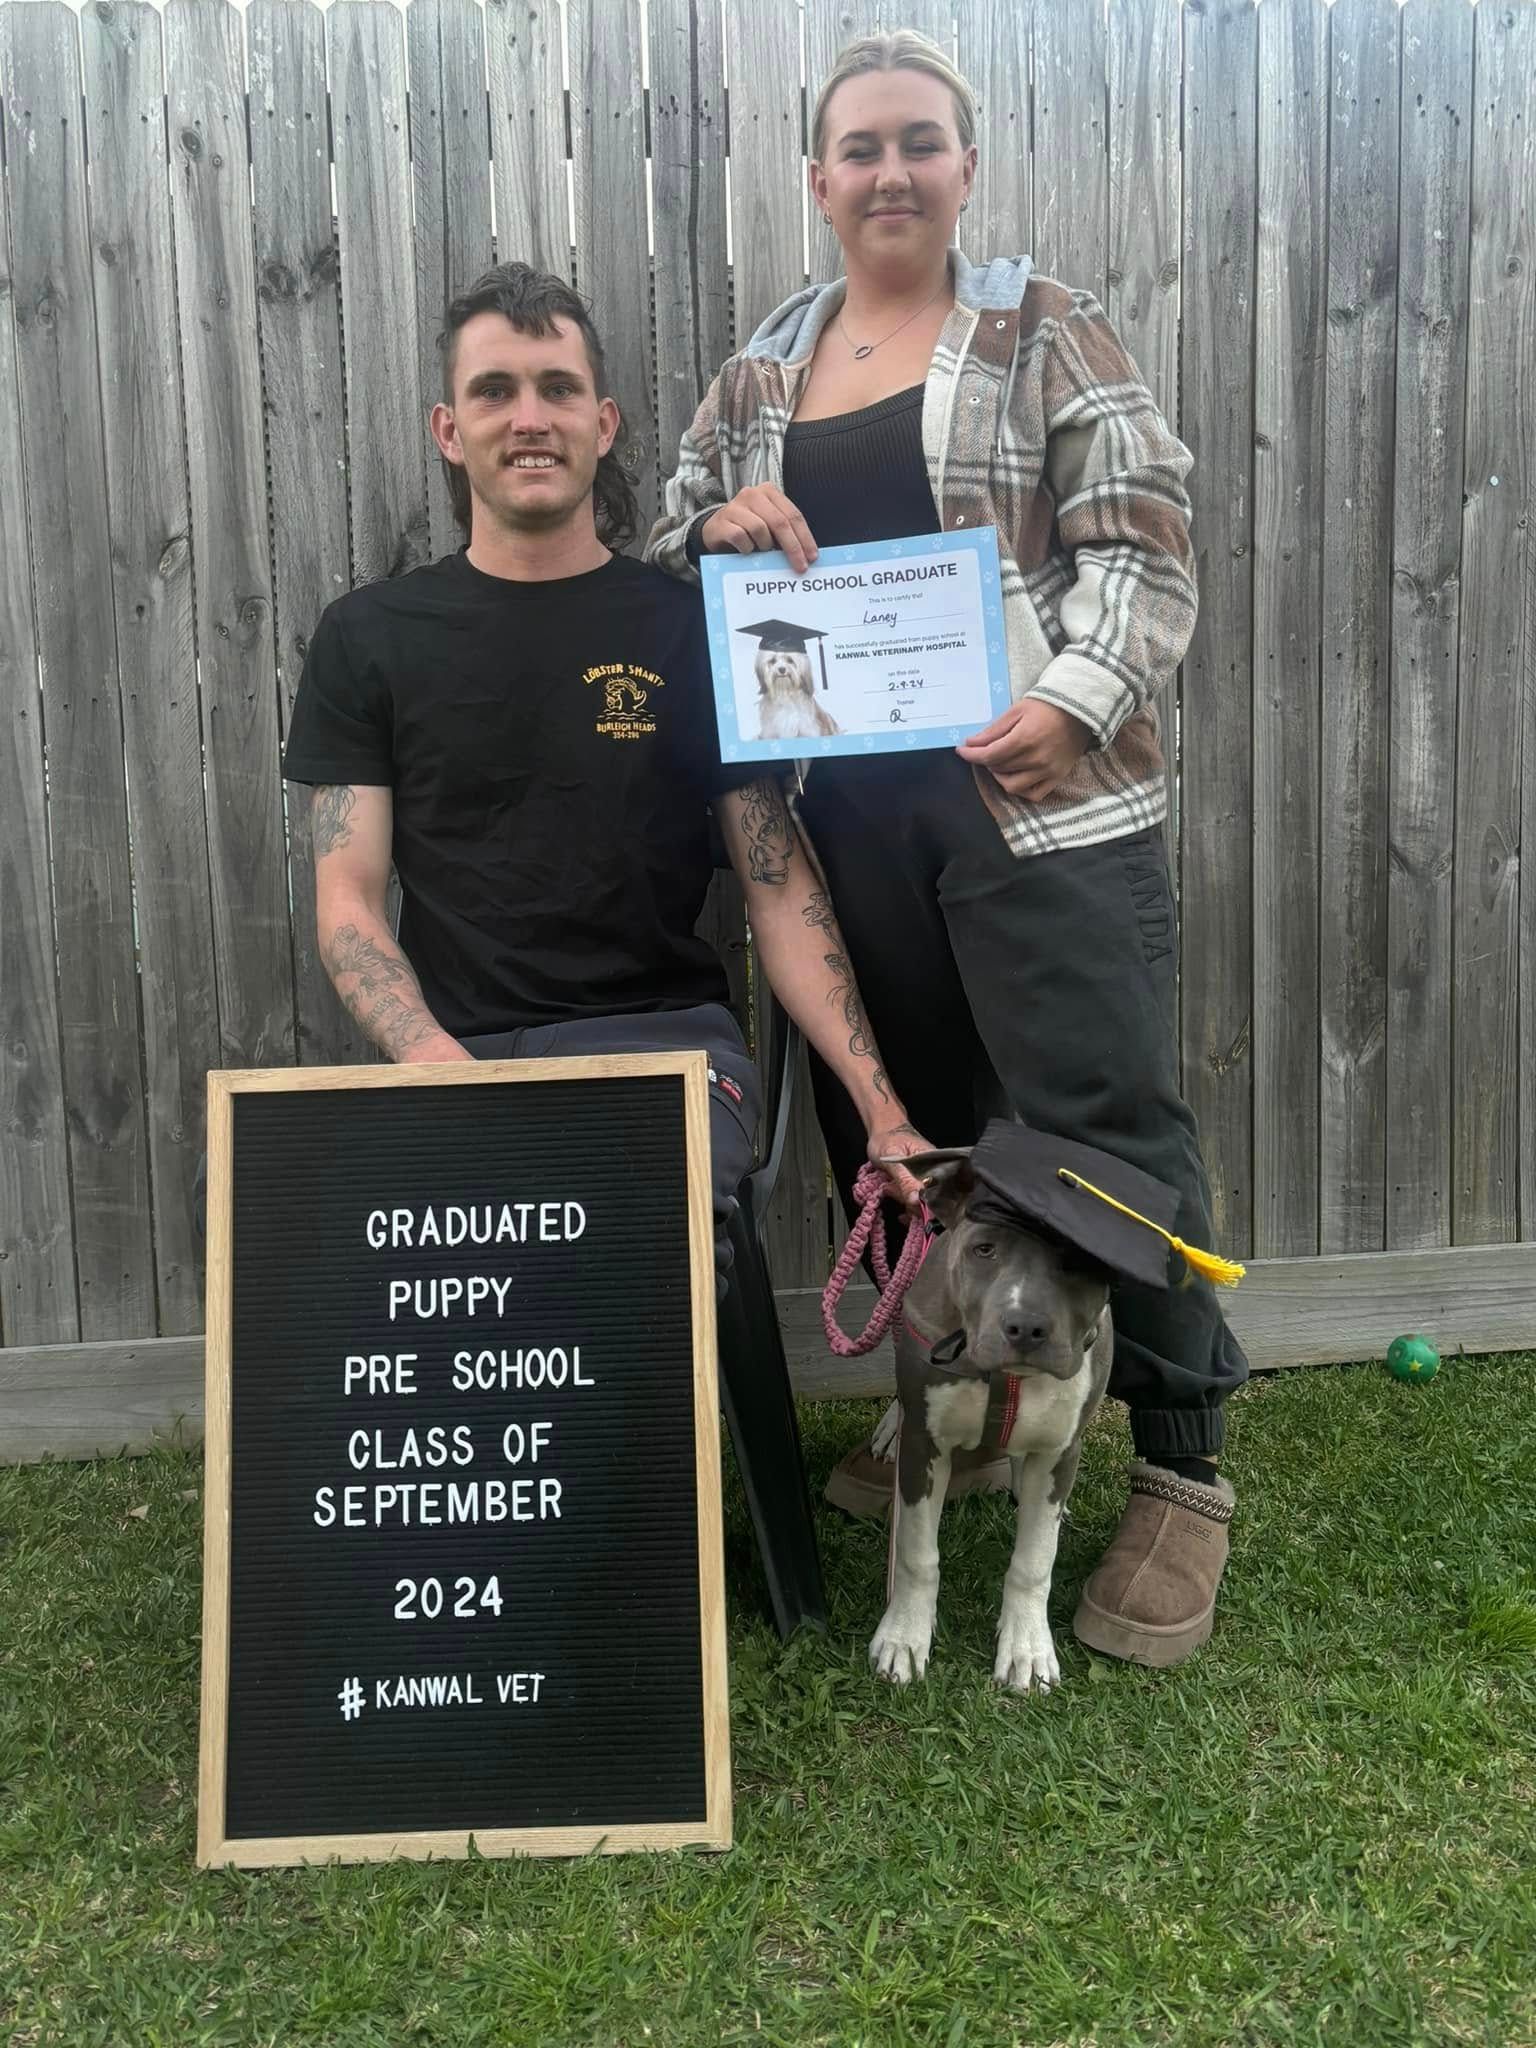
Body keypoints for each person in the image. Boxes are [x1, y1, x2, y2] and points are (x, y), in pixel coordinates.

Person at [646, 31, 1250, 1668]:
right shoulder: (763, 370)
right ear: (818, 180)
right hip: (845, 842)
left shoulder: (1045, 328)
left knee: (1111, 1137)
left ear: (964, 167)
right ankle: (958, 1408)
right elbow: (672, 542)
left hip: (1041, 813)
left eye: (922, 141)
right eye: (861, 147)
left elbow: (1146, 531)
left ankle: (1182, 1473)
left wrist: (1075, 695)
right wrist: (713, 525)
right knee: (901, 1142)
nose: (891, 170)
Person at [281, 262, 925, 1298]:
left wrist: (882, 1104)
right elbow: (347, 901)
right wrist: (434, 1063)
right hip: (458, 1055)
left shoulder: (688, 630)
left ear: (604, 420)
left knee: (615, 1238)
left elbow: (778, 883)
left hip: (667, 1052)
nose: (528, 417)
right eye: (495, 390)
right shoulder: (368, 639)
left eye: (557, 387)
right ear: (450, 430)